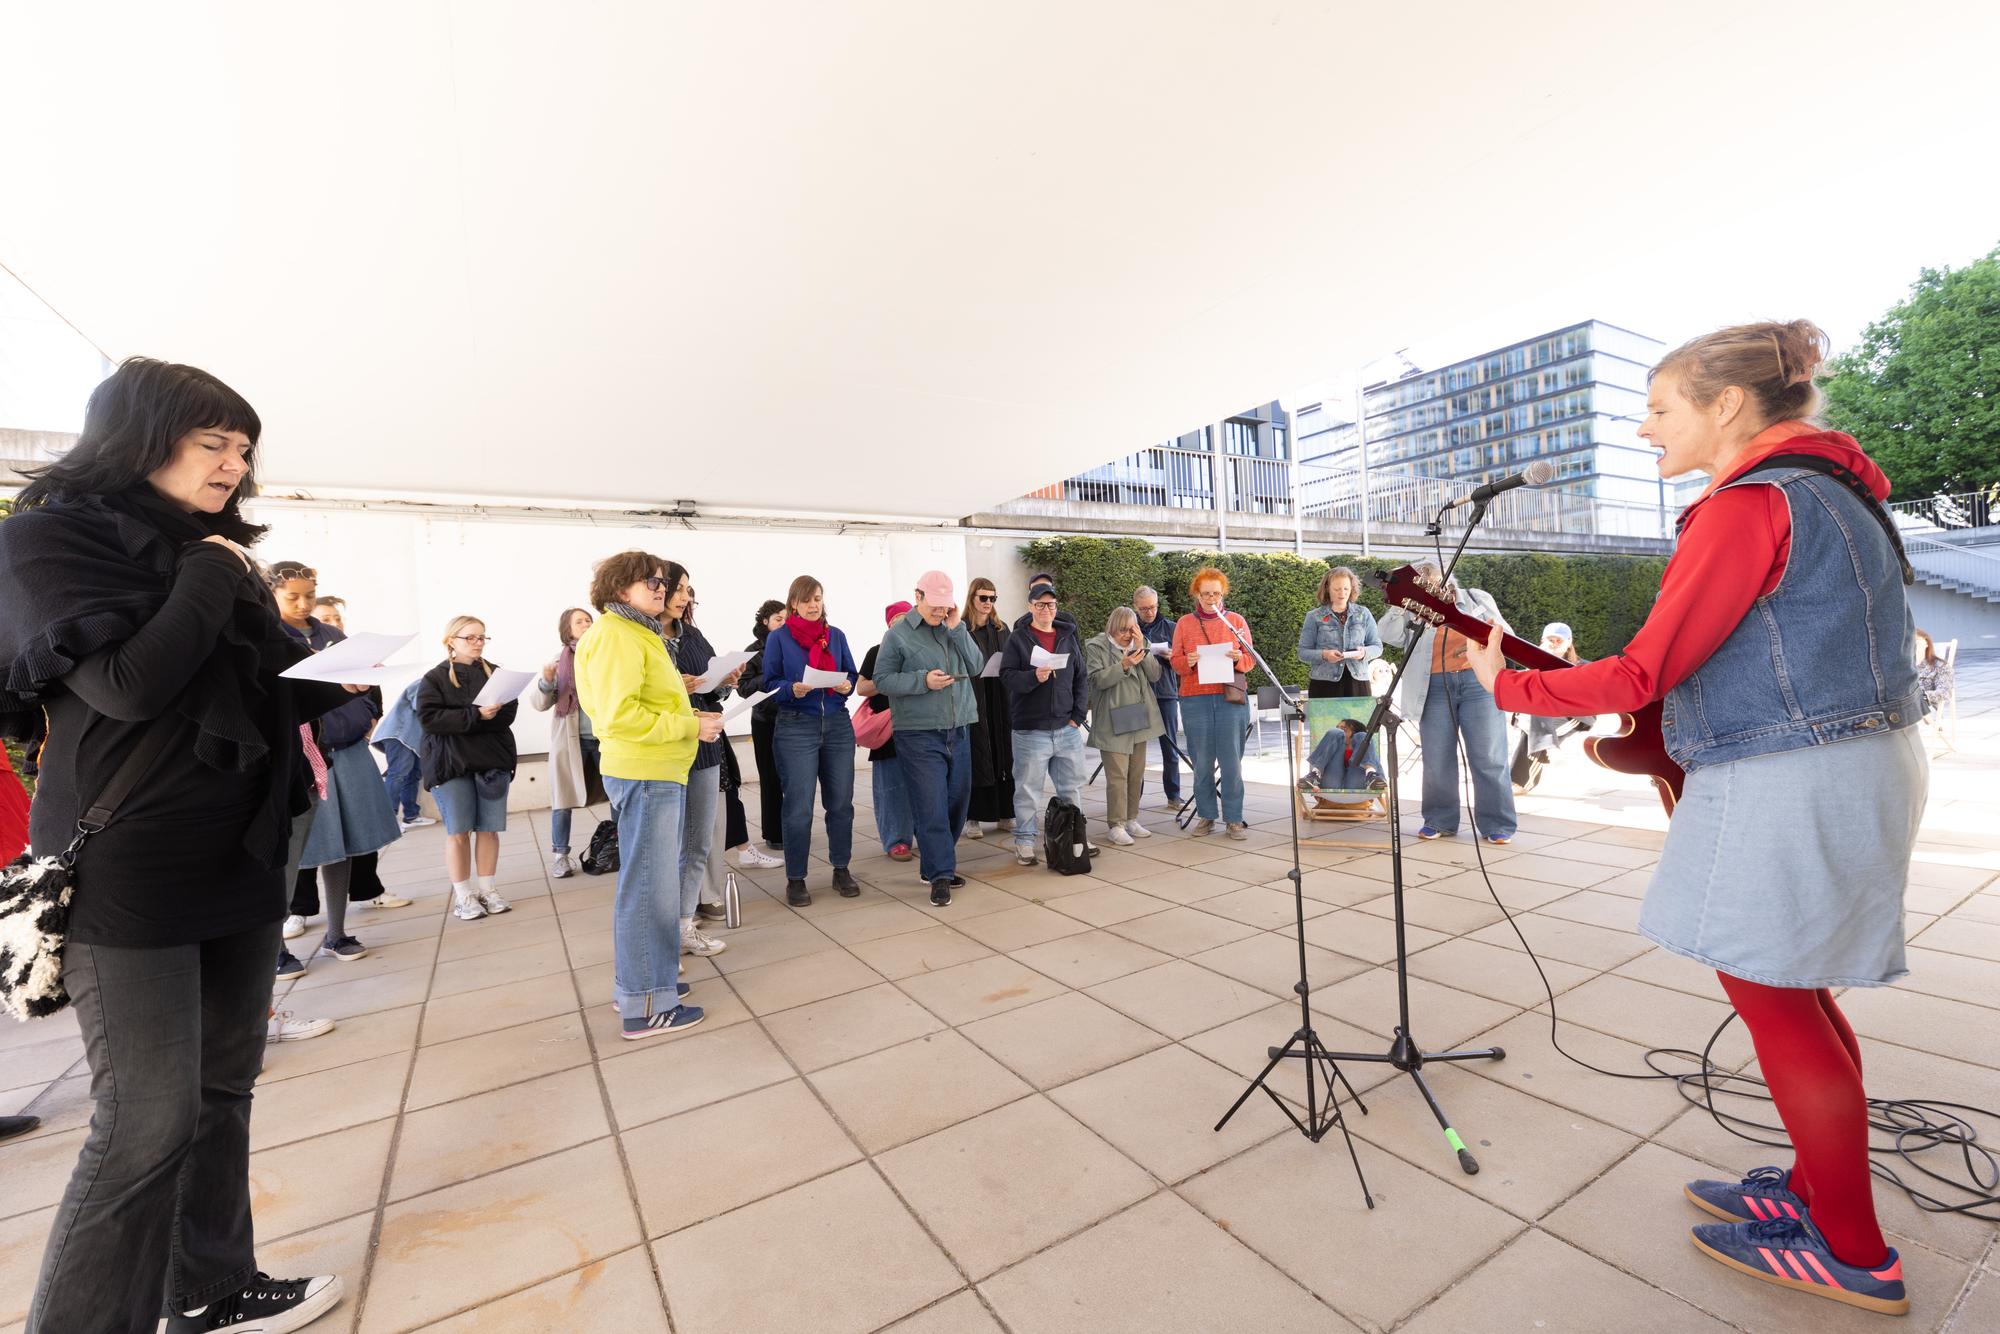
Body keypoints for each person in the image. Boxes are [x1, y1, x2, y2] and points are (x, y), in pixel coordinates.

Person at [1471, 320, 1923, 1316]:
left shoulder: (1749, 503)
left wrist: (1504, 682)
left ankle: (1853, 1252)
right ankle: (1814, 1191)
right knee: (1794, 988)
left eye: (1659, 408)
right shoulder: (1840, 492)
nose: (1644, 428)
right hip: (1857, 757)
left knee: (1771, 996)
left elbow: (1642, 671)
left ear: (1725, 406)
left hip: (1790, 771)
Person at [0, 357, 348, 1331]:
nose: (235, 463)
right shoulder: (48, 538)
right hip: (126, 860)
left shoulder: (214, 556)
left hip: (237, 847)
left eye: (244, 447)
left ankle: (211, 1287)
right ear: (141, 437)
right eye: (214, 442)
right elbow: (129, 685)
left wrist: (343, 677)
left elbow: (260, 690)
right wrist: (212, 570)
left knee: (222, 1086)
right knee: (144, 1121)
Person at [573, 550, 718, 1039]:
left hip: (653, 769)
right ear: (620, 589)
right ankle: (648, 1004)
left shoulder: (635, 631)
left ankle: (645, 986)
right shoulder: (617, 635)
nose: (662, 588)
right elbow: (619, 717)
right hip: (646, 772)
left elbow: (643, 702)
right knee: (649, 891)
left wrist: (688, 713)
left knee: (652, 888)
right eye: (650, 582)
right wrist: (690, 726)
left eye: (662, 581)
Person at [270, 561, 402, 970]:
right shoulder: (270, 636)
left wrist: (367, 712)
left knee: (342, 845)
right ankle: (275, 949)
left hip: (342, 749)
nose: (303, 604)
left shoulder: (333, 636)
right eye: (292, 597)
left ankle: (337, 932)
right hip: (299, 758)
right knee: (293, 855)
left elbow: (363, 687)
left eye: (309, 595)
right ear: (271, 594)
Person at [1378, 559, 1517, 844]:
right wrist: (1399, 601)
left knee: (1489, 757)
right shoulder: (1415, 609)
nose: (1428, 589)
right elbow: (1387, 635)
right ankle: (1439, 820)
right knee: (1437, 758)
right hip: (1433, 687)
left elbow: (1507, 637)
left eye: (1431, 583)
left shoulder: (1476, 599)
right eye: (1420, 585)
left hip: (1478, 683)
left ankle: (1497, 824)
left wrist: (1485, 641)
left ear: (1446, 580)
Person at [874, 571, 986, 904]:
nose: (940, 611)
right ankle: (940, 875)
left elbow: (976, 666)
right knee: (931, 805)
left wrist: (957, 627)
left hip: (959, 727)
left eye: (945, 605)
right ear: (918, 596)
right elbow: (882, 679)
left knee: (957, 802)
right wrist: (923, 681)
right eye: (934, 605)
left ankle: (935, 864)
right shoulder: (898, 635)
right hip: (918, 733)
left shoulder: (952, 627)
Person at [760, 575, 861, 905]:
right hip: (796, 726)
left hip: (836, 723)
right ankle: (796, 878)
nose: (813, 605)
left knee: (841, 803)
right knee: (799, 807)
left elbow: (851, 673)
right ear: (794, 604)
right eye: (806, 600)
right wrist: (791, 689)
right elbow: (770, 682)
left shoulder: (836, 636)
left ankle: (841, 869)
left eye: (817, 598)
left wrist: (847, 685)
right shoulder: (779, 638)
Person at [416, 616, 519, 921]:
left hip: (492, 762)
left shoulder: (496, 673)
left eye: (482, 637)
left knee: (489, 829)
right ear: (451, 640)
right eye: (470, 637)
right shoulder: (434, 678)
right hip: (452, 764)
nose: (477, 643)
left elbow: (509, 712)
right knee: (459, 831)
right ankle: (463, 896)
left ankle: (488, 890)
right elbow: (429, 720)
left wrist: (485, 718)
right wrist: (477, 716)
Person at [661, 574, 734, 954]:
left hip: (704, 745)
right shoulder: (643, 638)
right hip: (664, 751)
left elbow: (712, 686)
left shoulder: (693, 635)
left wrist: (726, 680)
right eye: (677, 588)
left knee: (698, 843)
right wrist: (680, 687)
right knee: (665, 848)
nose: (683, 596)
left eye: (687, 590)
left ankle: (684, 924)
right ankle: (662, 932)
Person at [1002, 582, 1091, 864]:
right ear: (1030, 607)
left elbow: (1081, 678)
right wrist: (1033, 677)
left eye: (1050, 604)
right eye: (1040, 604)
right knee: (1028, 791)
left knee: (1071, 788)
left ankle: (1075, 837)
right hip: (1031, 730)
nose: (1046, 609)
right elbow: (1007, 677)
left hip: (1066, 728)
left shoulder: (1067, 637)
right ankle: (1025, 841)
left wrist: (1078, 716)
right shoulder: (1018, 639)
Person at [1170, 567, 1253, 839]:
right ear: (1197, 594)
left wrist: (1238, 658)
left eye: (1216, 593)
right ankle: (1206, 816)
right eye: (1205, 593)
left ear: (1223, 593)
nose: (1211, 598)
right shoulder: (1184, 623)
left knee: (1232, 762)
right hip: (1195, 699)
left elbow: (1250, 660)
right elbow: (1175, 663)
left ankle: (1234, 819)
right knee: (1202, 762)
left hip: (1230, 699)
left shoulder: (1236, 621)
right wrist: (1187, 661)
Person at [1084, 606, 1165, 845]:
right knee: (1117, 776)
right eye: (1123, 630)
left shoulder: (1140, 643)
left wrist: (1143, 649)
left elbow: (1155, 675)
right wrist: (1124, 665)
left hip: (1138, 716)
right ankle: (1116, 825)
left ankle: (1131, 819)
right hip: (1112, 719)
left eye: (1132, 630)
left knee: (1136, 773)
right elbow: (1096, 680)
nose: (1128, 635)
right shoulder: (1097, 646)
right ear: (1112, 628)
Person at [532, 606, 602, 878]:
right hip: (571, 741)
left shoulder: (604, 654)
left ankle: (622, 845)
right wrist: (547, 680)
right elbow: (540, 704)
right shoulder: (558, 661)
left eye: (589, 620)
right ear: (567, 630)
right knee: (562, 800)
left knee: (620, 795)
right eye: (579, 621)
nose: (586, 624)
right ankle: (560, 856)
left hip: (604, 738)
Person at [857, 601, 917, 861]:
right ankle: (896, 840)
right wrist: (888, 681)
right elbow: (861, 688)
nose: (902, 625)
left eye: (907, 619)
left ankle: (925, 834)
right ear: (889, 625)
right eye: (897, 620)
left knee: (923, 786)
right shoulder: (877, 651)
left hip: (918, 726)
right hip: (887, 730)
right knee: (891, 789)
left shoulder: (921, 650)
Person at [1508, 622, 1594, 793]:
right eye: (1550, 640)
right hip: (1542, 714)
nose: (1554, 644)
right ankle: (1547, 746)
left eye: (1559, 640)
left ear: (1569, 643)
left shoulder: (1582, 666)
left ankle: (1521, 782)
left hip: (1574, 716)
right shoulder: (1534, 662)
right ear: (1542, 641)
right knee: (1535, 725)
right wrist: (1537, 662)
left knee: (1536, 729)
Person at [962, 576, 1016, 839]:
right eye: (983, 597)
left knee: (1003, 752)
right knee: (977, 753)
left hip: (1000, 696)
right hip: (974, 696)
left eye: (992, 598)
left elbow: (1013, 657)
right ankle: (973, 817)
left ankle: (1006, 812)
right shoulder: (962, 628)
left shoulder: (1001, 628)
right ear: (972, 598)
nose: (988, 603)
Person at [736, 598, 788, 860]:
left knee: (793, 778)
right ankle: (774, 833)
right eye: (778, 619)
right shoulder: (753, 651)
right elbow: (743, 688)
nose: (783, 623)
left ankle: (793, 828)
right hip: (765, 722)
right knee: (770, 778)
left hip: (791, 719)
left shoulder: (792, 644)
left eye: (786, 619)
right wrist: (768, 676)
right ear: (765, 621)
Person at [1132, 585, 1183, 809]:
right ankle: (1133, 798)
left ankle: (1174, 795)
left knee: (1170, 747)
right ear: (1136, 607)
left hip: (1165, 693)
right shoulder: (1129, 628)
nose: (1150, 612)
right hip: (1136, 695)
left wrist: (1173, 657)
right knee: (1135, 750)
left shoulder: (1172, 628)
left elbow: (1183, 664)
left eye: (1153, 607)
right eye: (1144, 609)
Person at [1297, 565, 1381, 698]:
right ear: (1327, 589)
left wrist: (1364, 653)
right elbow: (1303, 652)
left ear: (1352, 588)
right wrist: (1324, 655)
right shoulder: (1314, 616)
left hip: (1358, 683)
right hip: (1323, 684)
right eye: (1337, 589)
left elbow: (1377, 647)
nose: (1342, 593)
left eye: (1346, 588)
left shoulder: (1364, 613)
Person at [373, 678, 433, 828]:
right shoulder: (425, 682)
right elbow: (421, 706)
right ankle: (388, 822)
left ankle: (411, 816)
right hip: (399, 735)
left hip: (413, 740)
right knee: (398, 774)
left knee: (414, 774)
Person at [1297, 719, 1387, 798]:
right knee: (1334, 732)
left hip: (1359, 783)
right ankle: (1315, 774)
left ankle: (1371, 775)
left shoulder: (1364, 744)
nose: (1339, 731)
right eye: (1338, 728)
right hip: (1332, 783)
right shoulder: (1330, 748)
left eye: (1343, 729)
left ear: (1355, 733)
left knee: (1364, 736)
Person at [1913, 628, 1953, 712]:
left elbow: (1945, 691)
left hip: (1923, 707)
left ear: (1926, 643)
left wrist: (1922, 696)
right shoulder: (1902, 666)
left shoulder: (1940, 666)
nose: (1913, 645)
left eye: (1917, 641)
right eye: (1909, 642)